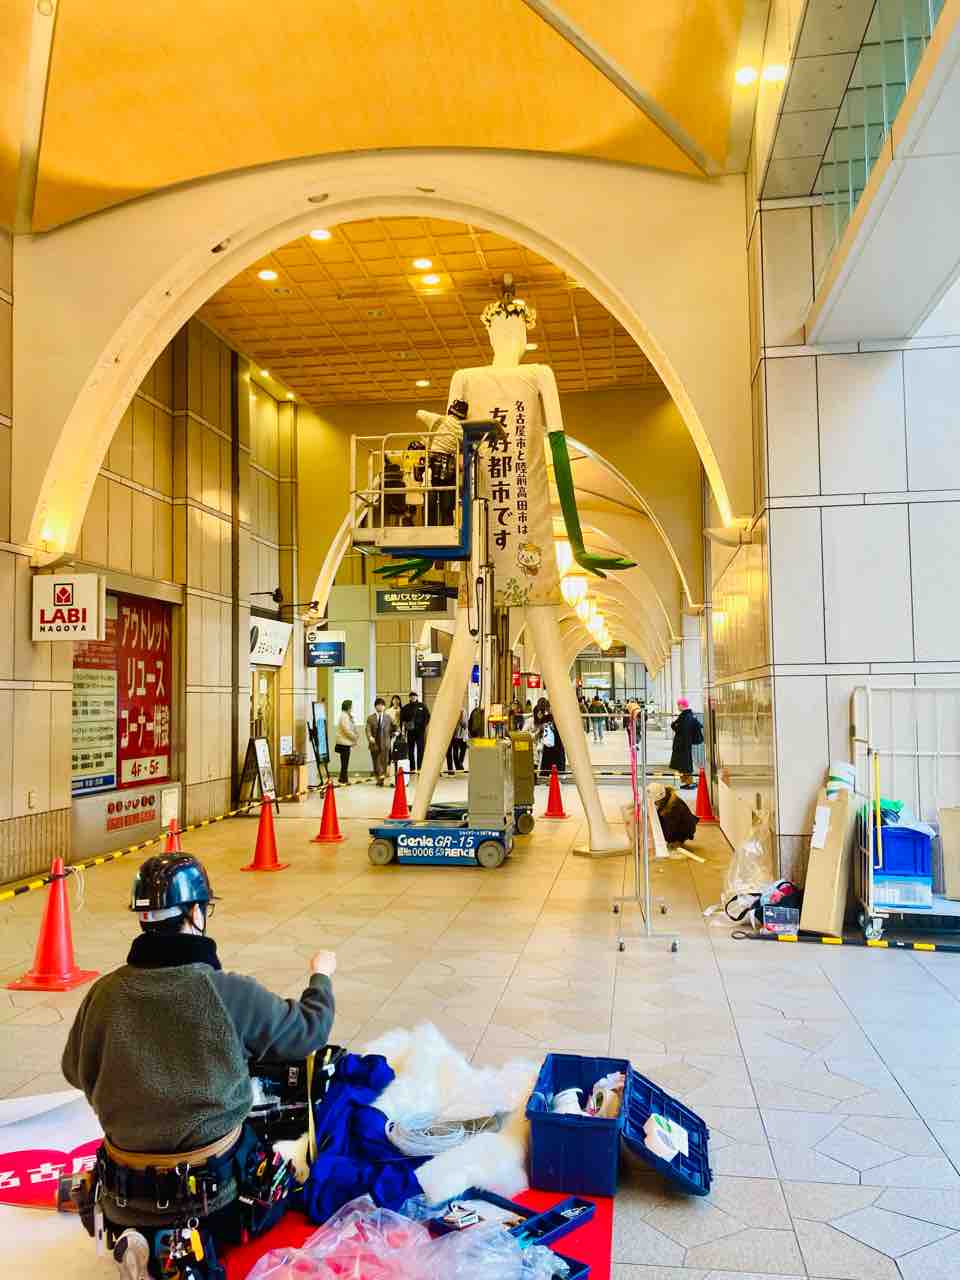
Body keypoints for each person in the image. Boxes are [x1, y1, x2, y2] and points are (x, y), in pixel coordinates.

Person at [61, 855, 335, 1280]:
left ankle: (140, 1238)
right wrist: (321, 978)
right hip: (216, 1197)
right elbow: (308, 1030)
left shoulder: (104, 994)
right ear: (195, 912)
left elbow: (73, 1070)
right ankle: (187, 1247)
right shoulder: (226, 992)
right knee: (279, 1186)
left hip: (123, 1192)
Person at [670, 697, 703, 788]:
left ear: (682, 705)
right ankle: (687, 782)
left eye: (678, 705)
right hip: (685, 744)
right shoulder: (687, 715)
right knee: (684, 764)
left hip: (683, 744)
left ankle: (689, 782)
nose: (677, 706)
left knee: (685, 764)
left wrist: (674, 725)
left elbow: (681, 729)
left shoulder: (685, 716)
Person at [366, 696, 395, 786]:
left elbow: (394, 726)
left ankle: (381, 778)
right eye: (378, 705)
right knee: (376, 762)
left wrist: (397, 731)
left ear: (384, 707)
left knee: (384, 762)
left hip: (385, 744)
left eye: (382, 705)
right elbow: (367, 729)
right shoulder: (370, 718)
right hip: (374, 743)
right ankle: (379, 778)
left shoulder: (388, 717)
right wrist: (370, 737)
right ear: (375, 707)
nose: (380, 707)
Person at [400, 691, 430, 772]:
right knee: (410, 750)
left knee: (420, 749)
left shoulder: (422, 706)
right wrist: (403, 731)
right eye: (411, 696)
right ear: (409, 698)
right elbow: (402, 720)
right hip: (410, 732)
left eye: (414, 696)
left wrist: (424, 726)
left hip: (420, 732)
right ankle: (412, 768)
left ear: (417, 697)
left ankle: (420, 767)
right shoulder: (405, 707)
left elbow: (428, 716)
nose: (413, 697)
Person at [334, 698, 359, 784]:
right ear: (348, 707)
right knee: (344, 762)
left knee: (345, 762)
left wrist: (352, 719)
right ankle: (344, 779)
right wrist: (354, 737)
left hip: (346, 742)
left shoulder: (347, 716)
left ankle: (342, 778)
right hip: (343, 743)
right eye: (351, 707)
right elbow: (346, 730)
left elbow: (352, 727)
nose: (352, 708)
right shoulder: (344, 716)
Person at [445, 708, 468, 775]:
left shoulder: (462, 711)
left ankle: (458, 767)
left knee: (455, 752)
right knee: (449, 752)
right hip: (448, 734)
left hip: (456, 735)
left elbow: (465, 725)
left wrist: (461, 719)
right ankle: (450, 770)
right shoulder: (448, 709)